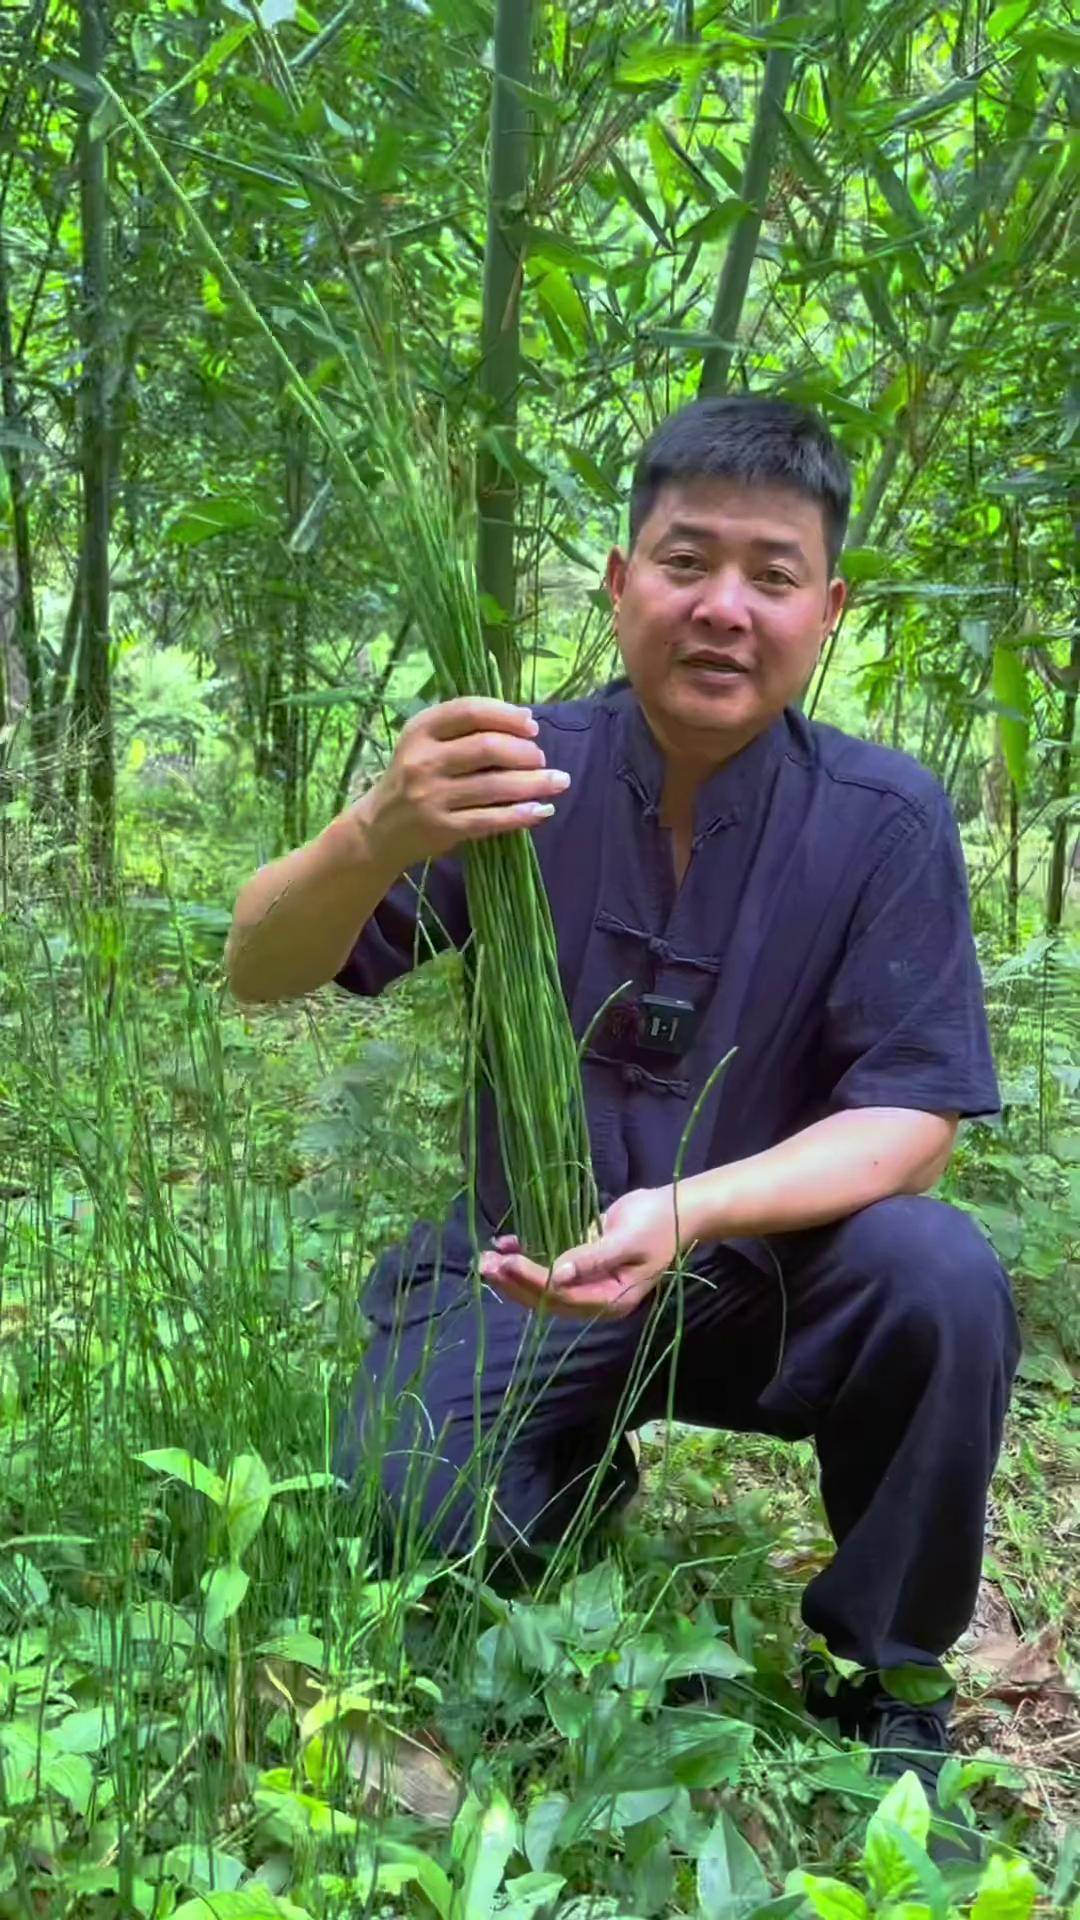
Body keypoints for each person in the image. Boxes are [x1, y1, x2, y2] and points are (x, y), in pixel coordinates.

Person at [226, 395, 1019, 1790]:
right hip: (527, 1268)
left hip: (766, 1282)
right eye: (685, 561)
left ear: (829, 610)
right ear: (618, 580)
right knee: (395, 1513)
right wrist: (375, 830)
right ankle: (577, 1486)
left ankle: (884, 1672)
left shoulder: (883, 819)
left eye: (773, 575)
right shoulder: (517, 772)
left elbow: (913, 1122)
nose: (724, 608)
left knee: (940, 1273)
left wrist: (685, 1210)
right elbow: (259, 968)